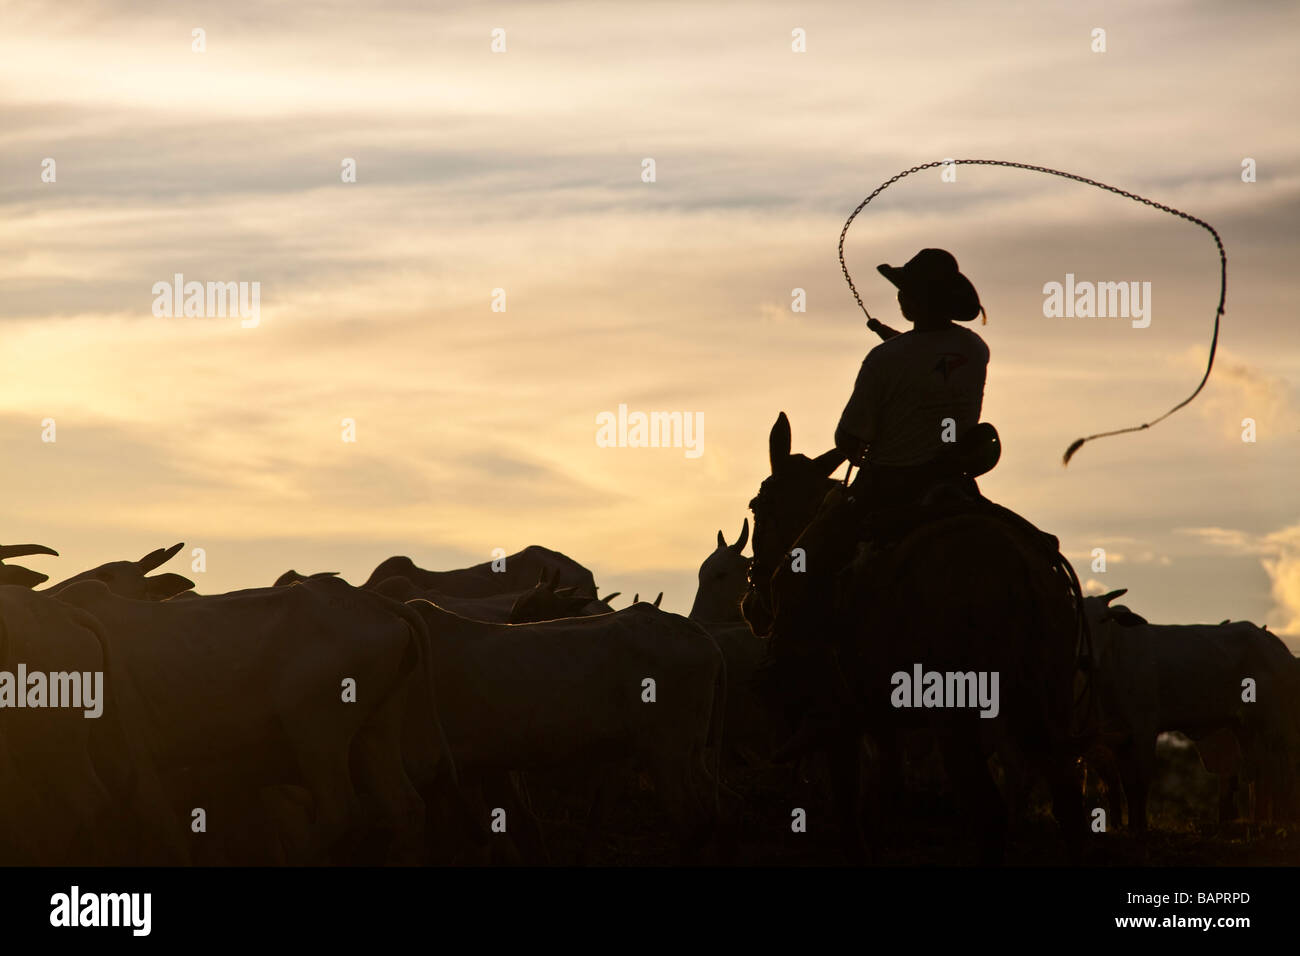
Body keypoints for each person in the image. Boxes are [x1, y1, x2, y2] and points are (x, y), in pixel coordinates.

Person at [835, 248, 991, 512]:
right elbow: (928, 358)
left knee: (821, 539)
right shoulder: (975, 348)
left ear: (912, 300)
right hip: (954, 481)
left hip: (888, 488)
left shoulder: (883, 358)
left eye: (904, 291)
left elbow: (849, 437)